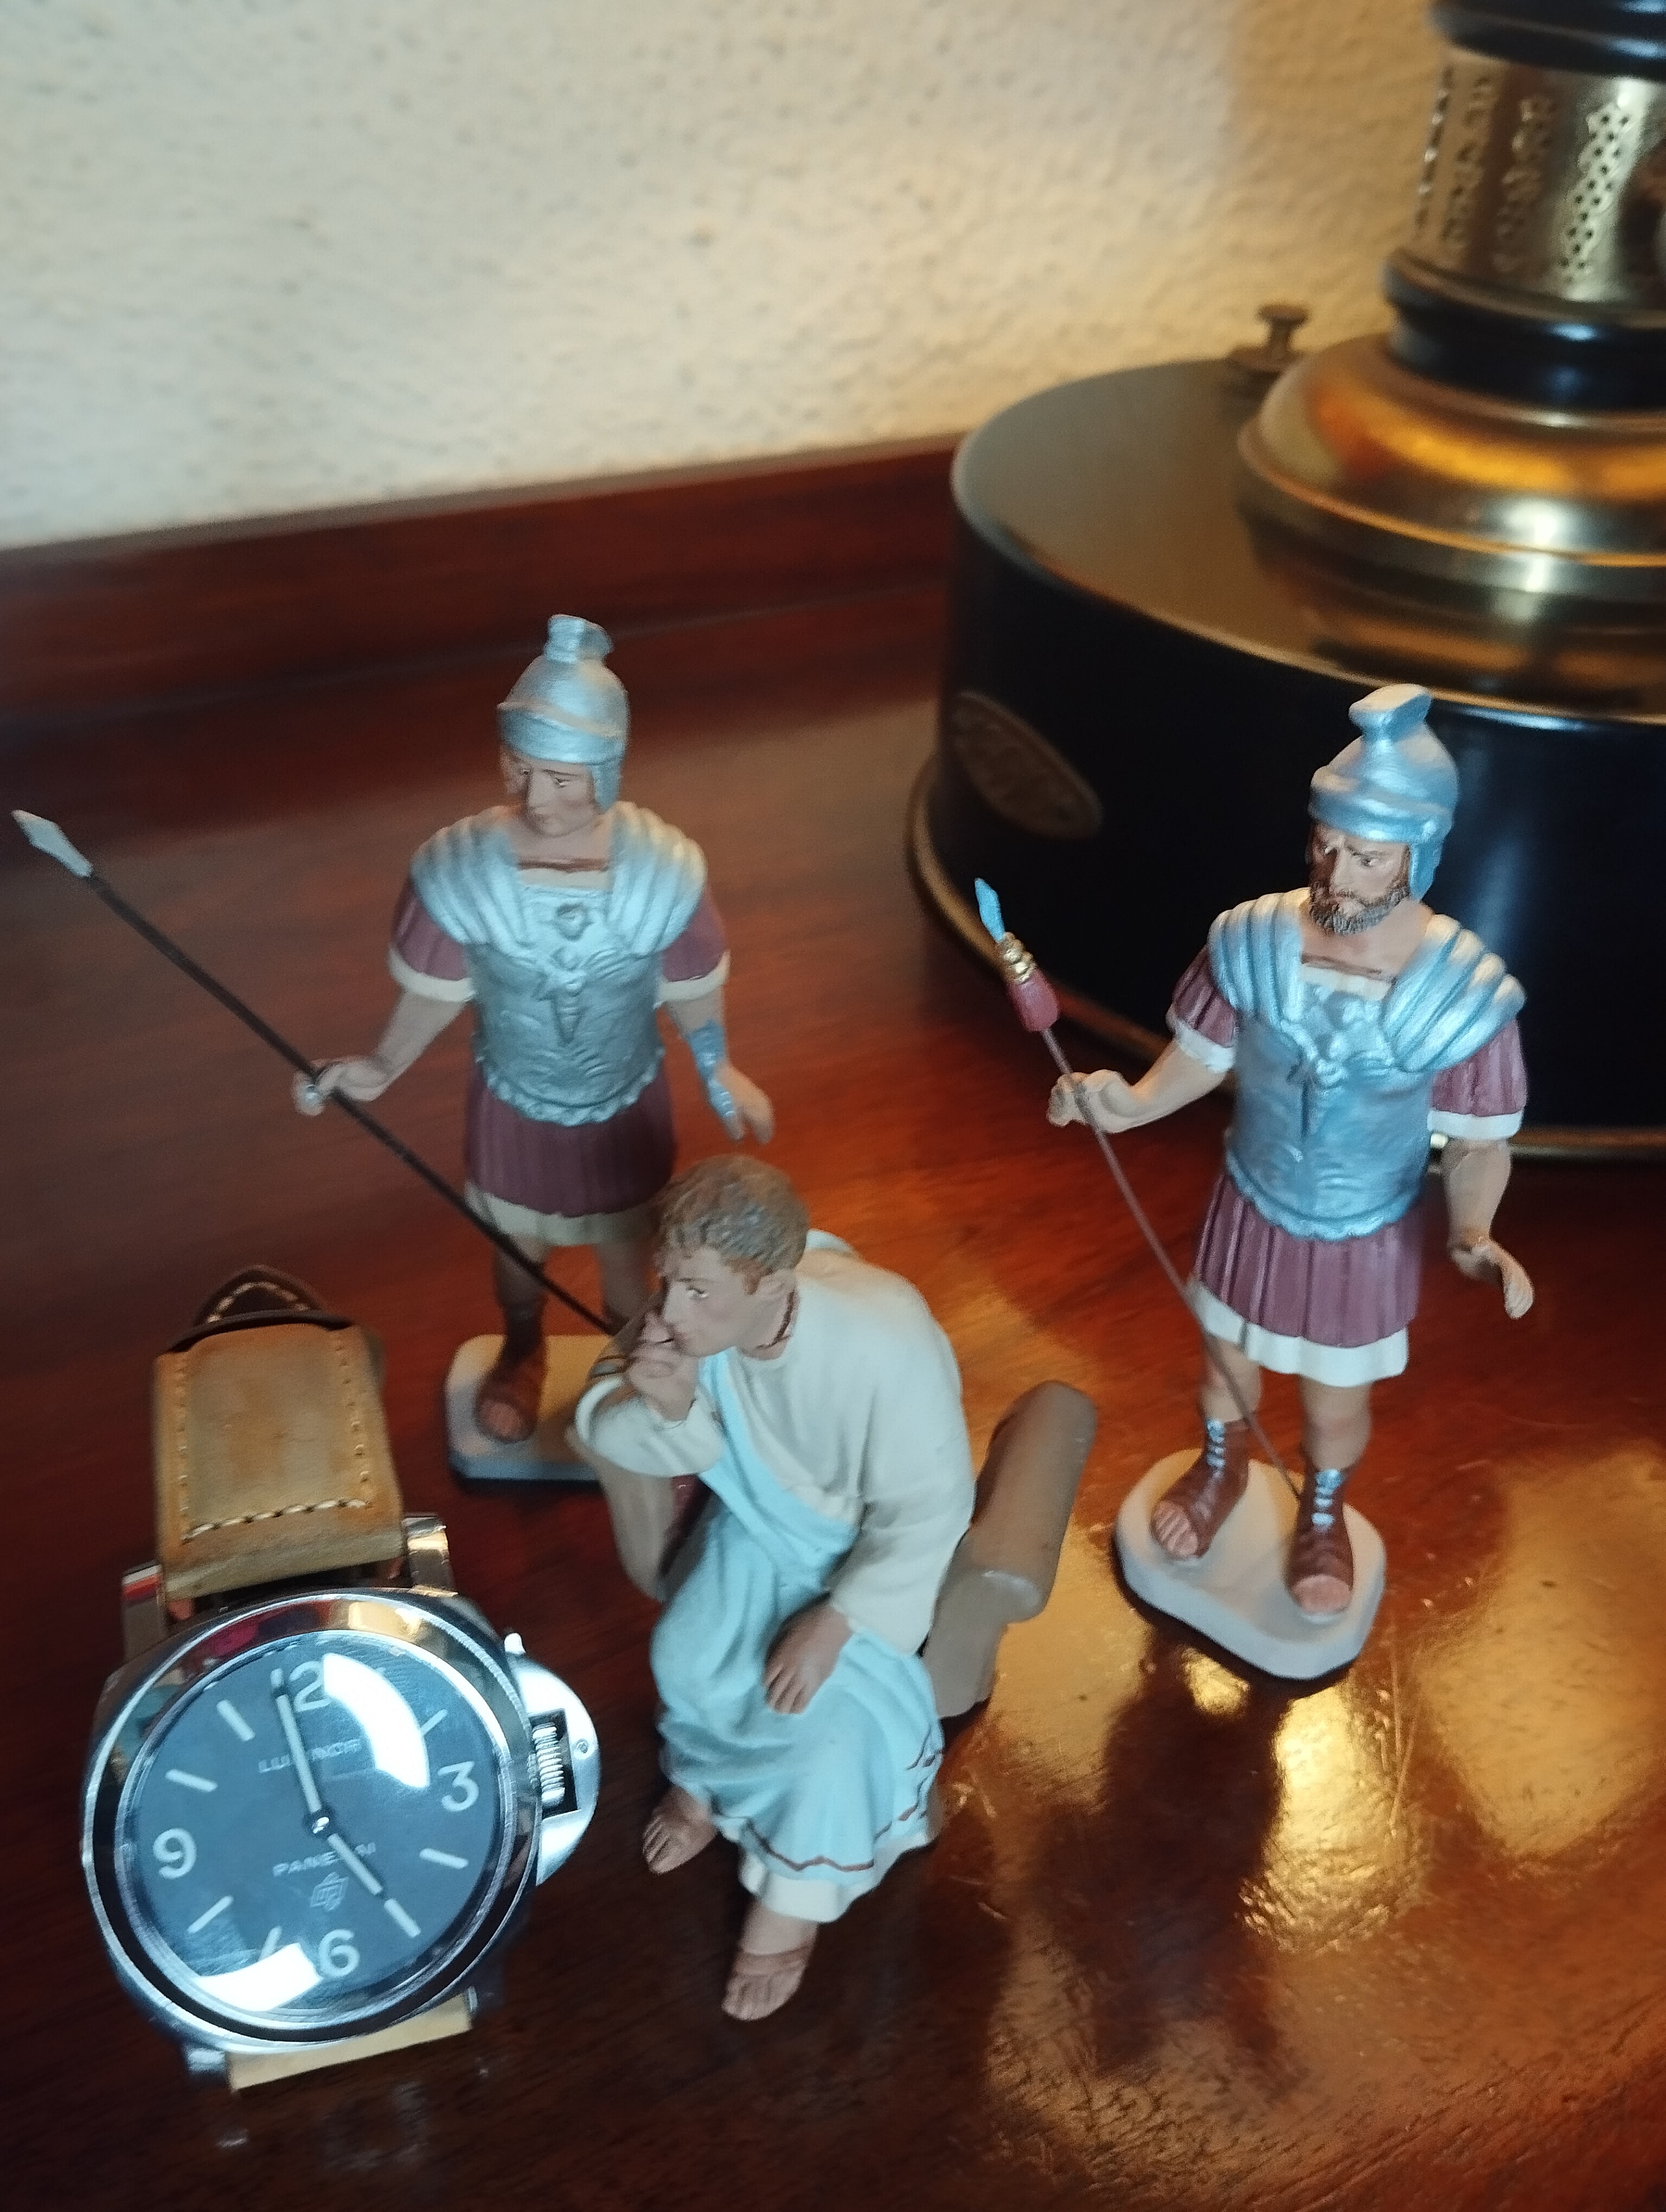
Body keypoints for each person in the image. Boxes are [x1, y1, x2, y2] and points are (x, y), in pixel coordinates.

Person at [1050, 684, 1532, 1618]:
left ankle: (1322, 1511)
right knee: (1223, 1365)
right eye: (1326, 845)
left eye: (1367, 856)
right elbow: (1201, 1057)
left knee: (1333, 1402)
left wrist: (1472, 1233)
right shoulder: (1253, 942)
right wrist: (1129, 1105)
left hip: (1363, 1231)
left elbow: (1479, 1142)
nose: (1337, 872)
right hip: (1253, 1200)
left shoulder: (1460, 992)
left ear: (1419, 855)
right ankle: (1220, 1468)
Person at [296, 615, 773, 1441]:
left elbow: (691, 986)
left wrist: (716, 1065)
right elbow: (438, 989)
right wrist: (382, 1065)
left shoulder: (661, 870)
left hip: (622, 1104)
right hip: (513, 1102)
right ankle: (523, 1352)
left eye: (561, 778)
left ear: (606, 770)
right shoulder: (462, 868)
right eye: (521, 769)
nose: (537, 798)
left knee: (628, 1262)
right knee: (518, 1255)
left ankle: (630, 1378)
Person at [573, 1156, 975, 2020]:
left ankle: (792, 1901)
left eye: (697, 1293)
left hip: (859, 1561)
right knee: (688, 1656)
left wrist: (836, 1622)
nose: (671, 1312)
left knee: (825, 1734)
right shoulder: (690, 1324)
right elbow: (606, 1420)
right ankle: (705, 1786)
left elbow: (930, 1506)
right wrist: (668, 1405)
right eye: (668, 1282)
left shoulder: (884, 1338)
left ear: (772, 1284)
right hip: (759, 1531)